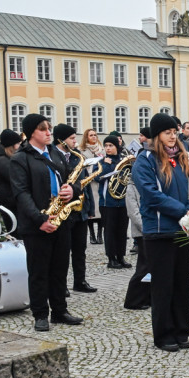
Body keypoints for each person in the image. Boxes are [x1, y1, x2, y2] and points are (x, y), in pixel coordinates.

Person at [132, 113, 189, 351]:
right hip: (159, 230)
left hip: (183, 229)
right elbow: (152, 195)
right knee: (163, 286)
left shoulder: (183, 157)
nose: (173, 137)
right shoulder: (146, 160)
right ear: (157, 135)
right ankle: (164, 334)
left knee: (183, 284)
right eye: (167, 133)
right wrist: (183, 211)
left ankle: (182, 331)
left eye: (174, 132)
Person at [10, 113, 84, 331]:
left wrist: (73, 190)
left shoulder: (55, 154)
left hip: (61, 219)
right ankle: (40, 314)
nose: (48, 132)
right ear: (31, 132)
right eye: (43, 129)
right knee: (39, 271)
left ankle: (59, 311)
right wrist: (40, 219)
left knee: (60, 268)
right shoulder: (20, 158)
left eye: (49, 128)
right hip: (37, 223)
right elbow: (21, 194)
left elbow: (73, 179)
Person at [53, 124, 97, 293]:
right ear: (61, 140)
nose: (75, 141)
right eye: (72, 138)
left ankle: (80, 281)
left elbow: (85, 184)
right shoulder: (53, 157)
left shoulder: (77, 157)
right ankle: (61, 285)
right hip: (64, 210)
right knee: (62, 252)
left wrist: (90, 207)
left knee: (80, 249)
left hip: (80, 209)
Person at [97, 137, 131, 269]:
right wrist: (107, 165)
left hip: (122, 202)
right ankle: (111, 258)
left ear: (117, 147)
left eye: (111, 145)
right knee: (110, 231)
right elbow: (98, 177)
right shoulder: (101, 161)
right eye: (106, 145)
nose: (108, 148)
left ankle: (121, 256)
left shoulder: (123, 161)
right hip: (107, 203)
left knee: (122, 231)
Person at [123, 171, 150, 310]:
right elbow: (133, 212)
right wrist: (146, 227)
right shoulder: (131, 187)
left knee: (150, 266)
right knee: (143, 266)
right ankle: (132, 300)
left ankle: (146, 297)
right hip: (142, 231)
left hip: (151, 230)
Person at [0, 129, 21, 229]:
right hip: (8, 203)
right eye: (18, 143)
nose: (19, 146)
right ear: (12, 145)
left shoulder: (4, 157)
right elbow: (15, 177)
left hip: (10, 201)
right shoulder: (1, 160)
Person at [80, 128, 104, 245]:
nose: (94, 137)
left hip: (99, 181)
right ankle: (92, 235)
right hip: (90, 182)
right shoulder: (83, 151)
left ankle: (100, 234)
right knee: (91, 209)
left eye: (95, 135)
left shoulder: (102, 150)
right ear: (86, 137)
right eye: (91, 135)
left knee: (100, 210)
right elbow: (82, 166)